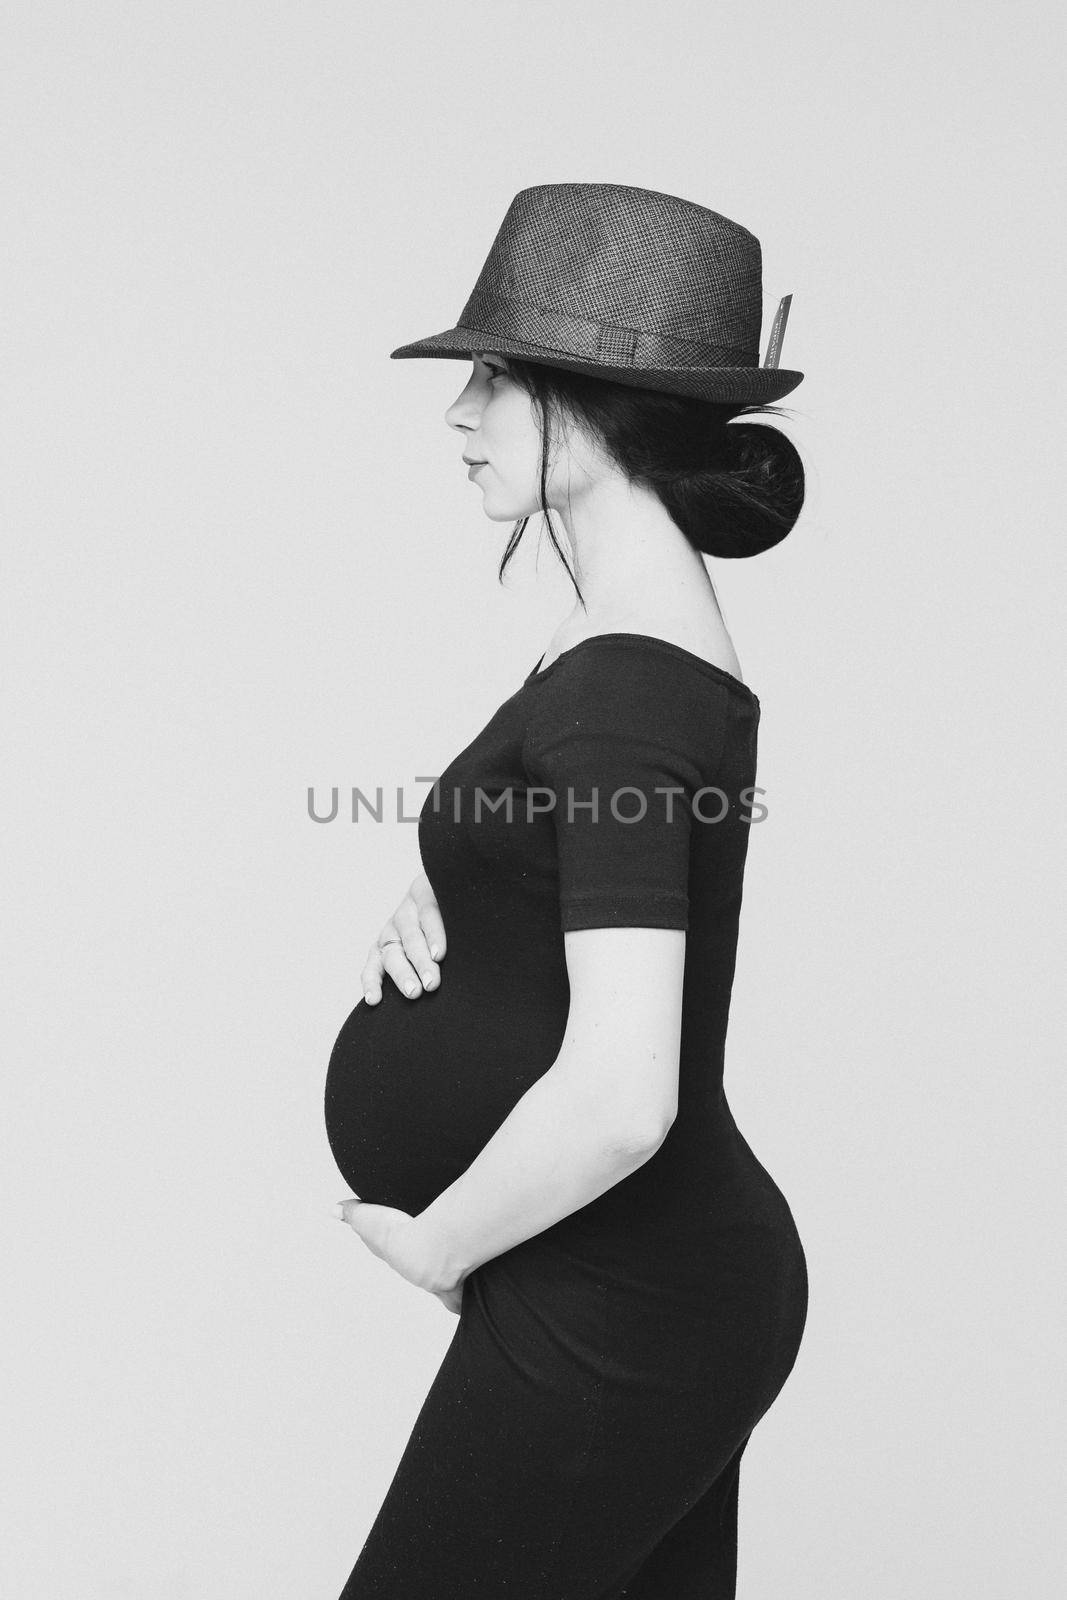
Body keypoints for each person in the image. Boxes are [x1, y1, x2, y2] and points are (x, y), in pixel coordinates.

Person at [324, 181, 809, 1598]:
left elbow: (621, 1096)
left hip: (630, 1304)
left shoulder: (631, 687)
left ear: (590, 403)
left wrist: (437, 1245)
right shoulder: (616, 655)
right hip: (627, 1291)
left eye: (493, 376)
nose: (458, 414)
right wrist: (450, 903)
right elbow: (573, 882)